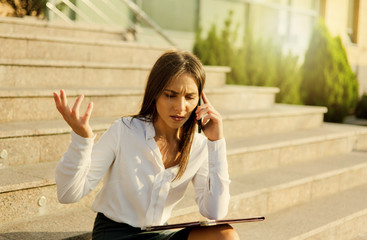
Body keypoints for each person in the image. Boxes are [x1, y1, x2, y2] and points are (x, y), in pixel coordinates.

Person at [53, 50, 240, 240]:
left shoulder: (198, 145)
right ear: (155, 93)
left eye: (189, 97)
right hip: (115, 235)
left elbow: (215, 211)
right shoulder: (124, 131)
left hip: (159, 234)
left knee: (225, 235)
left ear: (199, 100)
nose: (180, 107)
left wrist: (216, 143)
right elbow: (68, 194)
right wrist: (81, 139)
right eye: (170, 95)